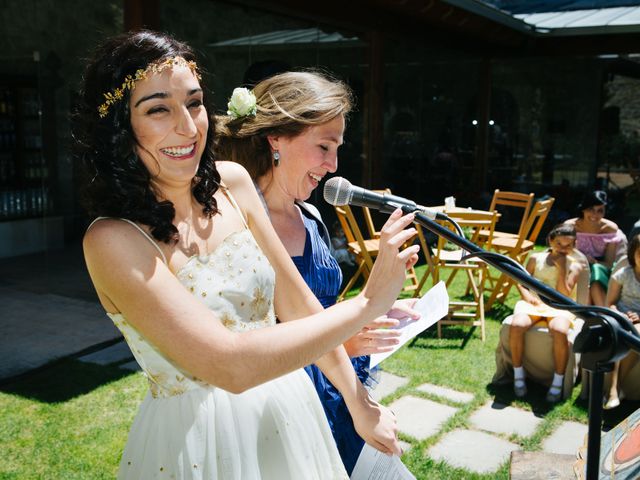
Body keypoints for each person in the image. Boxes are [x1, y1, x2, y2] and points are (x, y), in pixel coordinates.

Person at [73, 31, 420, 479]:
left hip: (291, 413)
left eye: (194, 103)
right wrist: (369, 303)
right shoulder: (113, 240)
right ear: (119, 128)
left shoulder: (233, 183)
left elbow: (298, 306)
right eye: (159, 109)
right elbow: (230, 365)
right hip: (202, 440)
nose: (188, 126)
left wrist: (358, 401)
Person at [214, 71, 416, 474]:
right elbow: (247, 353)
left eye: (338, 148)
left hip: (338, 394)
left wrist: (374, 315)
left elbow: (320, 308)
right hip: (284, 416)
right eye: (324, 146)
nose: (334, 165)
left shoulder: (310, 217)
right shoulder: (235, 227)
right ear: (276, 139)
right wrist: (346, 337)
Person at [509, 224, 584, 403]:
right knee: (517, 324)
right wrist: (527, 297)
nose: (564, 249)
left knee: (559, 330)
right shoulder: (536, 258)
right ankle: (518, 374)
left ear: (574, 245)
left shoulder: (576, 266)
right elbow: (521, 281)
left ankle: (558, 381)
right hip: (534, 303)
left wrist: (563, 269)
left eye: (569, 245)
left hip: (560, 305)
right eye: (559, 244)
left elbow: (563, 294)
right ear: (551, 241)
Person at [565, 190, 626, 306]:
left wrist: (593, 263)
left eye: (600, 211)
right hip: (574, 264)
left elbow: (609, 263)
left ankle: (603, 313)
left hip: (600, 267)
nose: (594, 215)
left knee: (596, 271)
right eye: (591, 209)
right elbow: (562, 252)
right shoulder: (570, 226)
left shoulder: (610, 229)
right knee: (580, 270)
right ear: (583, 209)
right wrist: (583, 259)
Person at [604, 234, 640, 409]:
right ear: (633, 254)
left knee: (635, 335)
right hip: (622, 317)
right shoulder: (624, 274)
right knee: (626, 333)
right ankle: (615, 390)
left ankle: (614, 388)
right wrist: (621, 315)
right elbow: (609, 303)